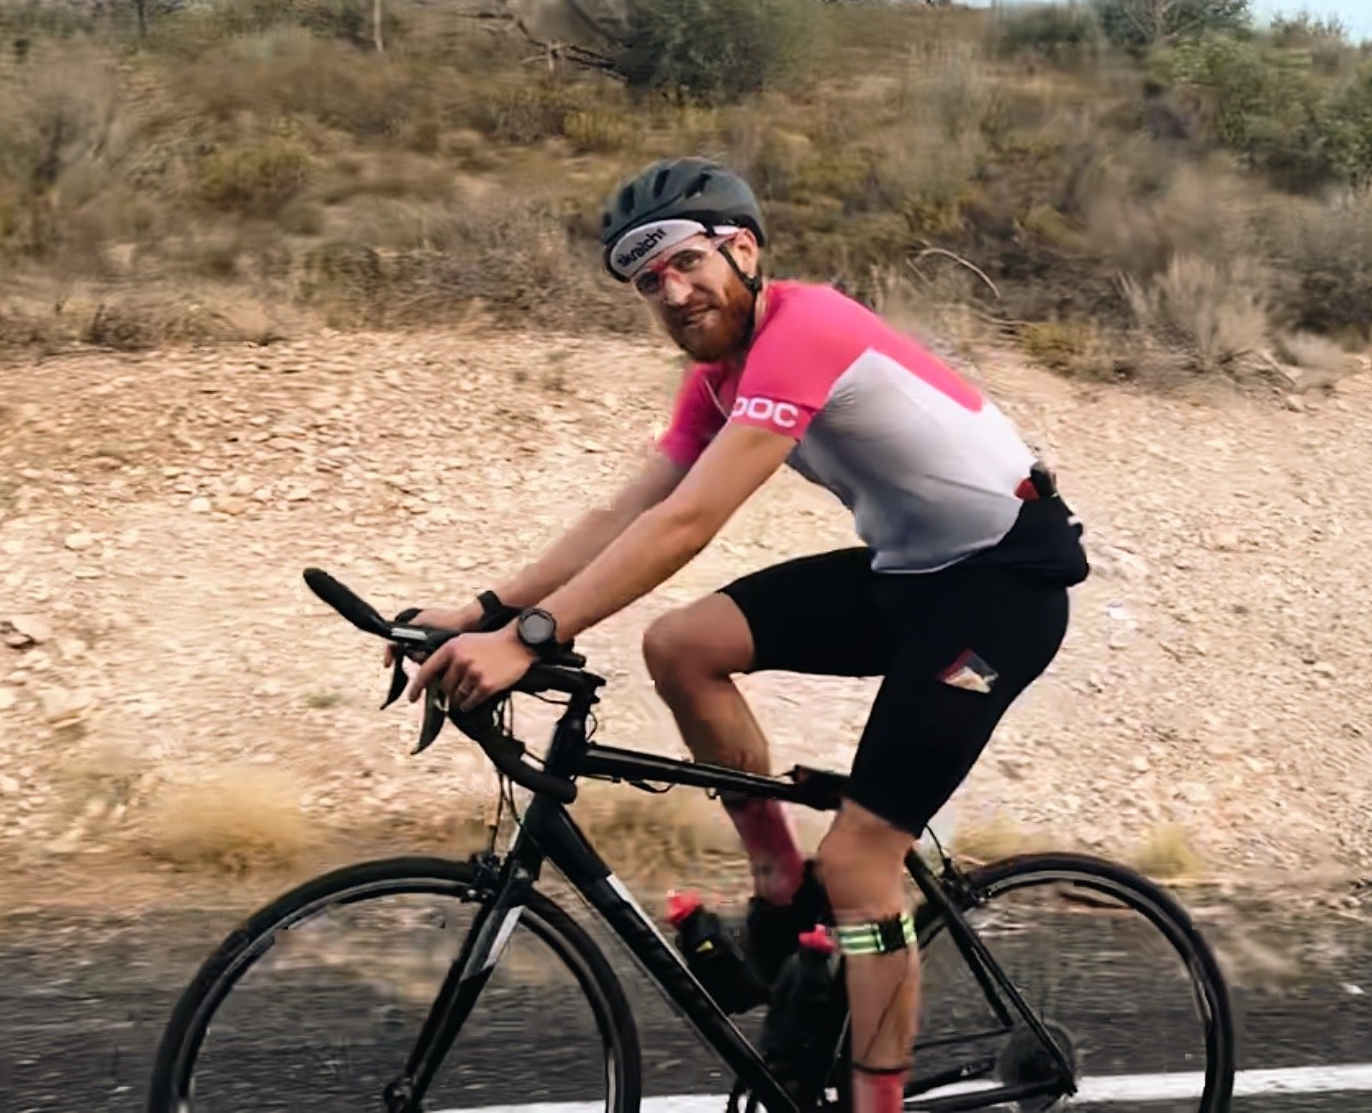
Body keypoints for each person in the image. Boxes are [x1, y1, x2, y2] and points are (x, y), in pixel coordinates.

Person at [400, 157, 1089, 1112]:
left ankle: (875, 1100)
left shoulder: (809, 329)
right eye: (648, 282)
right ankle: (777, 893)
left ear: (744, 250)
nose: (672, 293)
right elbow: (632, 509)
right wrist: (486, 610)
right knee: (681, 645)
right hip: (909, 576)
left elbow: (689, 525)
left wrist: (535, 634)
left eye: (685, 264)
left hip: (1001, 588)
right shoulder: (717, 379)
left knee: (859, 865)